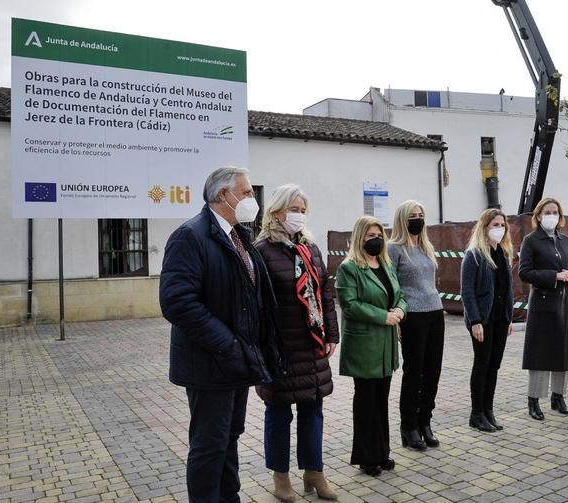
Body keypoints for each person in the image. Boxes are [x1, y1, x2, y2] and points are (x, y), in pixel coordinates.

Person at [159, 166, 283, 502]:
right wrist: (227, 344)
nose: (252, 199)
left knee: (229, 438)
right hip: (210, 362)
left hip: (236, 361)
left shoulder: (239, 236)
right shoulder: (191, 236)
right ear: (222, 195)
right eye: (245, 192)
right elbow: (177, 302)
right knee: (209, 445)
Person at [254, 184, 339, 501]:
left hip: (311, 344)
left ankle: (314, 473)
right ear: (276, 212)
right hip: (281, 349)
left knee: (313, 411)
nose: (299, 216)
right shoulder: (262, 251)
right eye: (294, 210)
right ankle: (280, 477)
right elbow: (258, 305)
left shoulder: (310, 248)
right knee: (278, 414)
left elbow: (324, 293)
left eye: (303, 211)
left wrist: (331, 333)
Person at [336, 216, 407, 477]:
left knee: (381, 401)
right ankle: (366, 457)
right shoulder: (349, 268)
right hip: (364, 346)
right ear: (359, 238)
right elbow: (350, 304)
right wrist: (383, 316)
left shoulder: (386, 264)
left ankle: (382, 452)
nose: (375, 239)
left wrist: (400, 309)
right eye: (369, 235)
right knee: (366, 402)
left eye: (378, 234)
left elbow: (399, 295)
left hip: (386, 346)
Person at [387, 200, 444, 450]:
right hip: (412, 316)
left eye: (421, 214)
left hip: (435, 312)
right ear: (402, 218)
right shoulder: (394, 248)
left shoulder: (426, 246)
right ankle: (408, 427)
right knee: (414, 372)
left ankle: (425, 422)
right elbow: (391, 286)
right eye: (413, 215)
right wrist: (396, 319)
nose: (418, 219)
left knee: (433, 371)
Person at [518, 197, 568, 420]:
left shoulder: (565, 240)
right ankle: (534, 400)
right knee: (540, 354)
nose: (551, 215)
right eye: (547, 212)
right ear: (538, 215)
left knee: (563, 351)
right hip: (543, 304)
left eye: (555, 211)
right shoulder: (531, 240)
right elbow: (524, 272)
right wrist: (554, 276)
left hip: (565, 303)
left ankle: (558, 396)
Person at [460, 208, 515, 432]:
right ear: (484, 228)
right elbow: (467, 291)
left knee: (494, 366)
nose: (499, 229)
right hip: (483, 320)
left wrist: (509, 317)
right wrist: (475, 321)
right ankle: (477, 413)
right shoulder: (474, 255)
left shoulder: (503, 253)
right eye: (495, 225)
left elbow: (507, 289)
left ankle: (488, 410)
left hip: (500, 318)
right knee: (482, 365)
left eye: (502, 225)